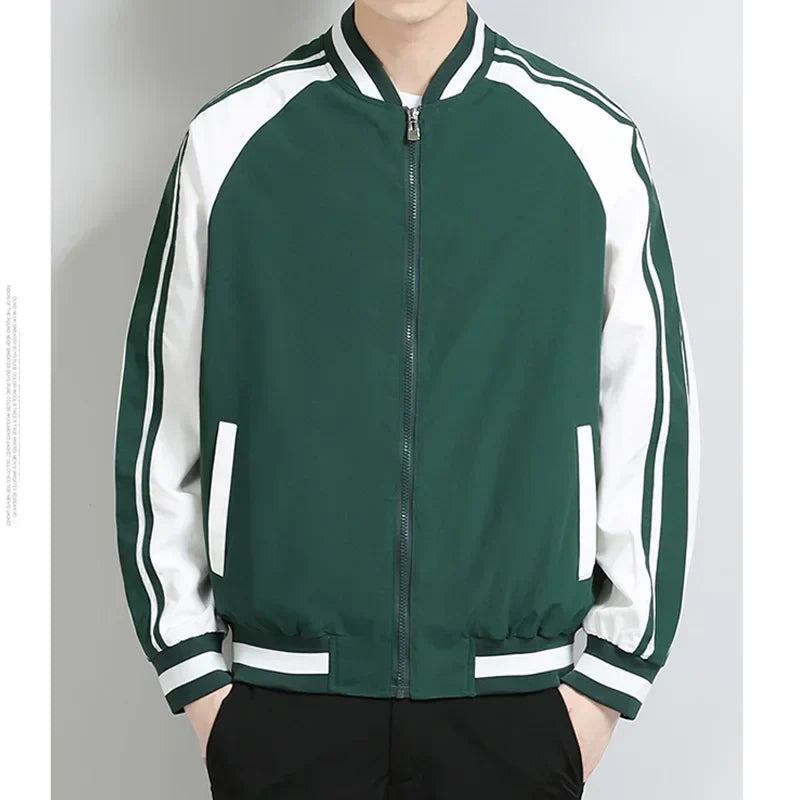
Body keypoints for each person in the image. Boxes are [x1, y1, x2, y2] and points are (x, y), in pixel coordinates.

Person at [113, 1, 700, 797]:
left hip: (514, 705)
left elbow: (648, 421)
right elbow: (160, 421)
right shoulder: (228, 142)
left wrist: (601, 692)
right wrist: (197, 677)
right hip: (282, 703)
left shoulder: (592, 143)